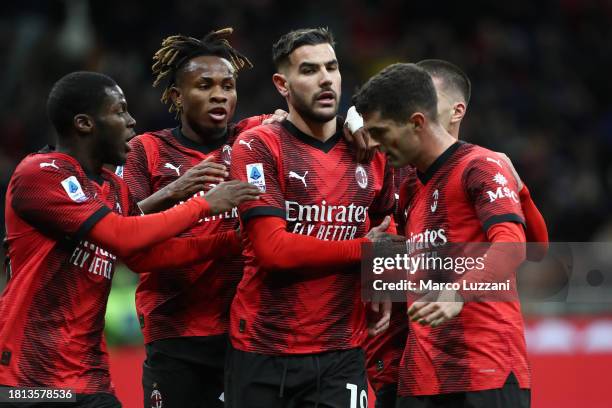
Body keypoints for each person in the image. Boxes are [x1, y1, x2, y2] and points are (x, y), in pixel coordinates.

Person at [0, 71, 259, 407]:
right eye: (119, 111)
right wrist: (204, 204)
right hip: (28, 377)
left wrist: (231, 241)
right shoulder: (41, 174)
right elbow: (121, 236)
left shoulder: (111, 186)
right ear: (84, 124)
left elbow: (142, 252)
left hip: (90, 376)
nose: (132, 120)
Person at [354, 59, 548, 407]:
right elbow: (423, 251)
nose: (377, 145)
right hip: (421, 375)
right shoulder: (410, 183)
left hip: (485, 369)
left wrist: (457, 293)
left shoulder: (480, 166)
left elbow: (519, 248)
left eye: (382, 133)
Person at [226, 28, 397, 408]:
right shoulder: (259, 146)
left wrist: (383, 279)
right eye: (308, 70)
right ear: (282, 84)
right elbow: (274, 250)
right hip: (262, 348)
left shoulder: (371, 150)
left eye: (331, 67)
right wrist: (367, 250)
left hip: (343, 351)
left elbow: (392, 220)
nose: (324, 79)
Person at [122, 28, 286, 408]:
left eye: (228, 86)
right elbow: (120, 232)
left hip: (248, 330)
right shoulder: (145, 150)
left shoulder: (254, 137)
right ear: (177, 96)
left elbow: (306, 119)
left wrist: (354, 124)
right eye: (205, 85)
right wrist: (175, 192)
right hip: (176, 331)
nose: (220, 94)